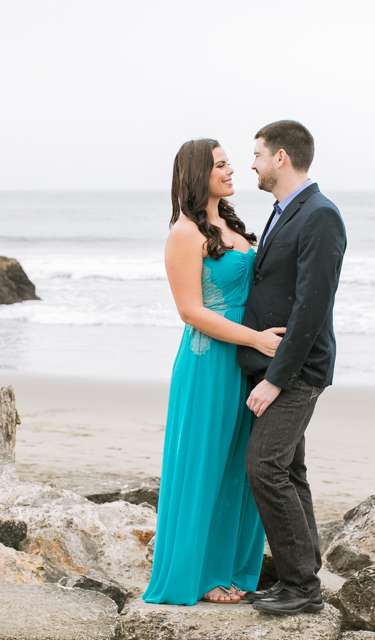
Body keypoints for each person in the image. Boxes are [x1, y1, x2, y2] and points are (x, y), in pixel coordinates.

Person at [142, 139, 286, 605]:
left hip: (248, 362)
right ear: (197, 172)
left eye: (229, 164)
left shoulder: (230, 223)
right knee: (205, 466)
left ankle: (236, 568)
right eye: (221, 165)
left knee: (241, 469)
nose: (231, 171)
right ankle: (200, 574)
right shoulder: (183, 233)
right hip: (210, 364)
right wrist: (257, 339)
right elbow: (190, 311)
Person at [237, 120, 347, 615]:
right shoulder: (286, 211)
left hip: (298, 368)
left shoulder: (320, 215)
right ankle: (302, 569)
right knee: (289, 467)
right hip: (274, 363)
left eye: (257, 154)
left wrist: (277, 378)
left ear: (281, 157)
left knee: (264, 466)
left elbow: (312, 306)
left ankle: (301, 587)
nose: (252, 163)